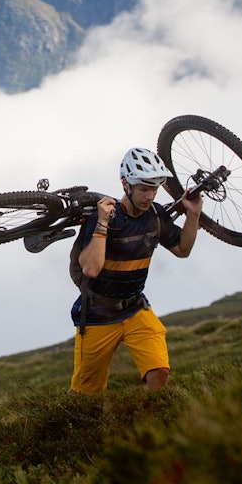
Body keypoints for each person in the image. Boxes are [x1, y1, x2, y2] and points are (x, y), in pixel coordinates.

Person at [68, 146, 202, 393]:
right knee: (86, 394)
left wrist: (193, 215)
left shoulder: (155, 215)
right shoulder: (104, 217)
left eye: (154, 189)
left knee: (159, 371)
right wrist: (102, 223)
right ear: (125, 184)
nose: (150, 195)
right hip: (98, 315)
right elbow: (90, 269)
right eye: (143, 189)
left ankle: (149, 416)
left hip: (135, 308)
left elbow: (182, 249)